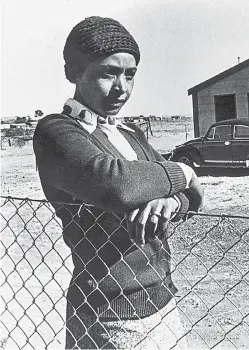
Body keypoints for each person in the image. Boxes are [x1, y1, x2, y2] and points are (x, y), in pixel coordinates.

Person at [33, 16, 203, 349]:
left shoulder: (131, 133)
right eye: (107, 73)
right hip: (109, 313)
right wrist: (185, 173)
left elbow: (189, 200)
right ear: (75, 73)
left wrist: (170, 201)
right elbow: (118, 186)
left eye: (130, 75)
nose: (121, 87)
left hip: (162, 299)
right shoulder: (58, 132)